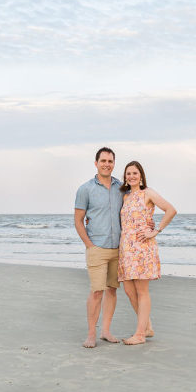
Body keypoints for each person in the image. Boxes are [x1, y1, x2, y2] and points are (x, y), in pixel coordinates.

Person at [118, 161, 177, 345]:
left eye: (135, 173)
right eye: (128, 173)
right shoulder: (125, 197)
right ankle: (148, 326)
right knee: (129, 290)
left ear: (141, 175)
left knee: (142, 290)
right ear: (125, 177)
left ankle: (140, 335)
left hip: (143, 248)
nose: (132, 176)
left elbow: (171, 210)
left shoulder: (148, 193)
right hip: (126, 249)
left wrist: (156, 230)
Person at [74, 147, 124, 348]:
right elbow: (78, 221)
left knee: (112, 290)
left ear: (114, 164)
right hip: (97, 248)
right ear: (96, 163)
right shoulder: (85, 189)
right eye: (103, 161)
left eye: (110, 161)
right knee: (97, 291)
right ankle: (91, 334)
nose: (107, 164)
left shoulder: (122, 187)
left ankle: (106, 331)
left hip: (118, 249)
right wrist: (89, 245)